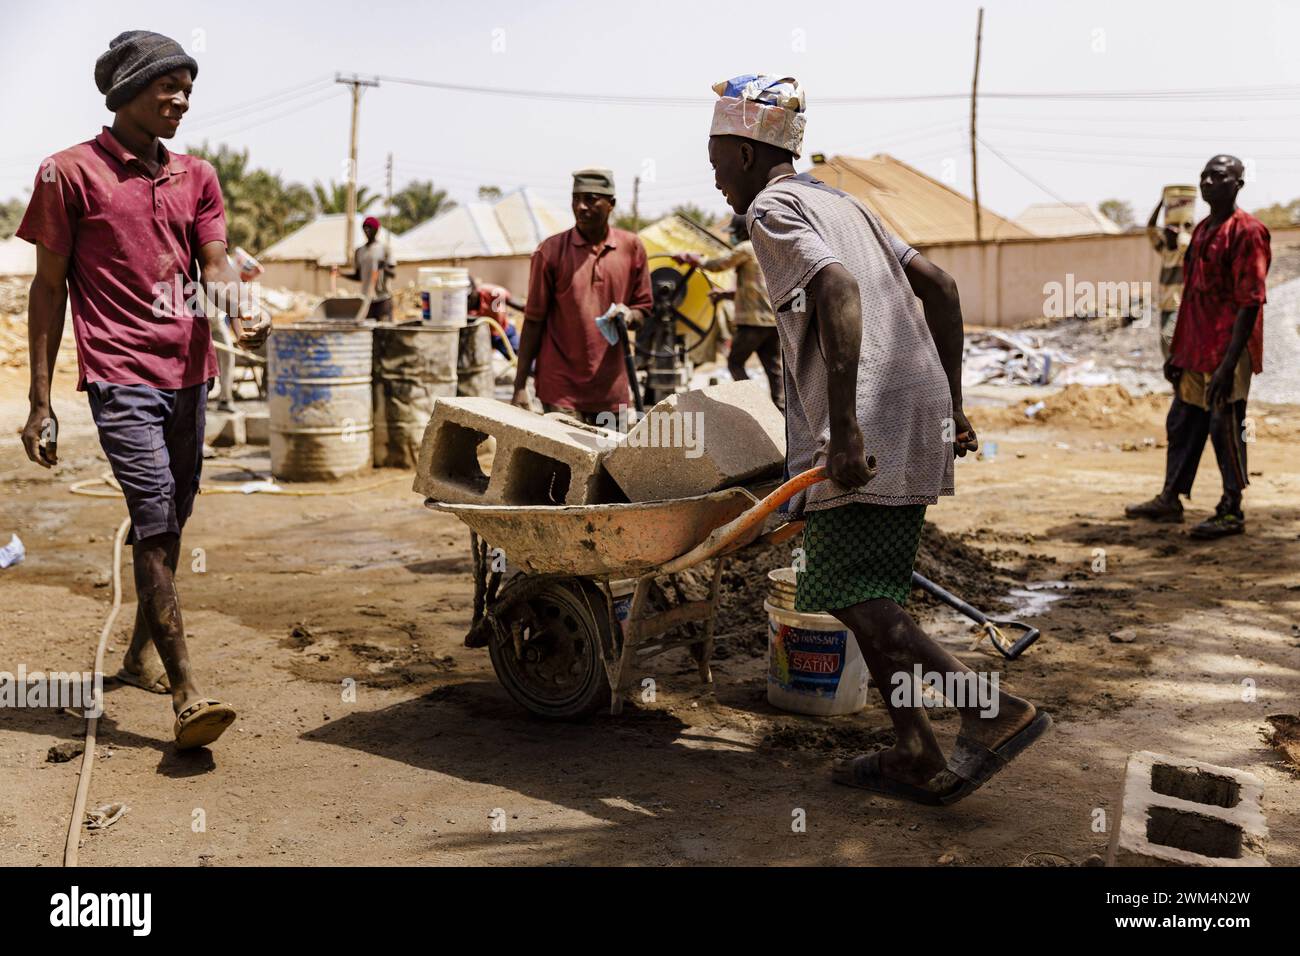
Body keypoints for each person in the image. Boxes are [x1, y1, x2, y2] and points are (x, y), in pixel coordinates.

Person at [706, 74, 1050, 805]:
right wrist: (951, 406)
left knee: (849, 591)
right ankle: (915, 750)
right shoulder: (843, 201)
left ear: (742, 149)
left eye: (714, 158)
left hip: (867, 423)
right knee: (873, 593)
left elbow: (837, 292)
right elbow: (943, 287)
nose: (713, 178)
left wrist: (845, 427)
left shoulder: (771, 208)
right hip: (916, 409)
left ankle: (993, 711)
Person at [18, 31, 268, 750]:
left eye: (189, 89)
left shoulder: (198, 176)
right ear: (126, 91)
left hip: (190, 374)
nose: (182, 100)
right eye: (169, 87)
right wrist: (40, 402)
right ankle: (189, 693)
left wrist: (237, 306)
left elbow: (215, 265)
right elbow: (48, 288)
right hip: (119, 376)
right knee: (154, 521)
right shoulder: (66, 174)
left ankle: (135, 655)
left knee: (172, 521)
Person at [1126, 155, 1271, 539]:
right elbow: (1190, 296)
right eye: (1204, 175)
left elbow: (1251, 301)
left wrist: (1227, 365)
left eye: (1218, 176)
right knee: (1182, 421)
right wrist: (1178, 352)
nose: (1208, 181)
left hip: (1228, 351)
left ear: (1238, 183)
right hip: (1195, 347)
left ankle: (1231, 510)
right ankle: (1170, 498)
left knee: (1224, 424)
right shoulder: (1204, 230)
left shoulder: (1248, 232)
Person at [512, 168, 653, 425]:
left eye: (590, 199)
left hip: (611, 389)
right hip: (560, 390)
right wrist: (520, 385)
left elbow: (644, 308)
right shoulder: (551, 251)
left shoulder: (631, 248)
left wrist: (630, 314)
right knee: (563, 465)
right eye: (576, 199)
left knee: (611, 463)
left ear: (611, 204)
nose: (581, 207)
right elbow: (533, 321)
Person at [674, 215, 784, 410]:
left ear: (741, 232)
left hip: (753, 322)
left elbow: (718, 265)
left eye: (732, 233)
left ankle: (755, 406)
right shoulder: (765, 248)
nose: (731, 238)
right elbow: (755, 289)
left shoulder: (745, 248)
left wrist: (696, 259)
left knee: (735, 363)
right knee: (774, 370)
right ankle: (781, 412)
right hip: (771, 322)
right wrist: (725, 294)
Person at [1146, 196, 1193, 358]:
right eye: (1166, 232)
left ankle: (1179, 368)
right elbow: (1151, 228)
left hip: (1178, 305)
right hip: (1165, 306)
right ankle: (1176, 372)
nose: (1166, 234)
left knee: (1168, 338)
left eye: (1170, 232)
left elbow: (1186, 242)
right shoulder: (1165, 252)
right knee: (1165, 344)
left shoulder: (1183, 252)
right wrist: (1160, 204)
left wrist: (1181, 227)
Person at [342, 215, 395, 321]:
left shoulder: (384, 248)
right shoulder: (359, 251)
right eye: (365, 227)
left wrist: (384, 266)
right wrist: (341, 274)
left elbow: (393, 274)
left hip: (383, 299)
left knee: (385, 332)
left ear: (376, 230)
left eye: (370, 227)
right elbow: (358, 276)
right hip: (367, 300)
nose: (367, 230)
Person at [466, 275, 521, 359]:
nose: (467, 301)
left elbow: (517, 304)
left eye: (469, 297)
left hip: (503, 332)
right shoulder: (458, 306)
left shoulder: (492, 293)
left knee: (522, 359)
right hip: (480, 338)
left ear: (475, 289)